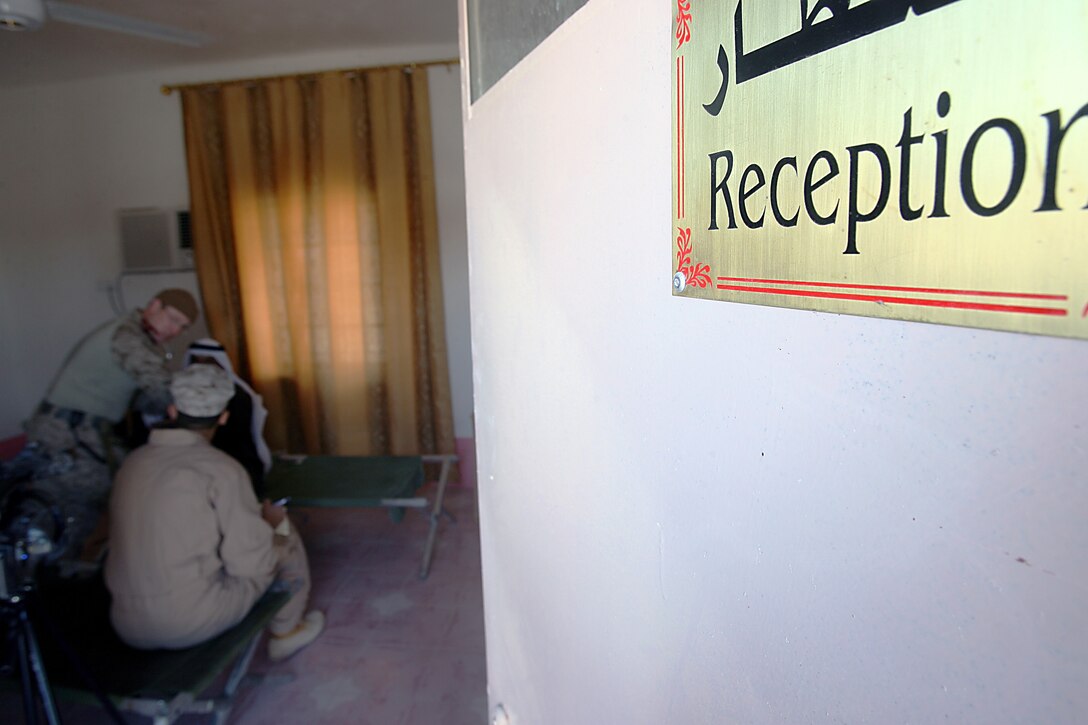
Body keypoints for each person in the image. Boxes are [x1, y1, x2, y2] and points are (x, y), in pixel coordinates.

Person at [105, 364, 324, 660]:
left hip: (126, 622)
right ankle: (287, 631)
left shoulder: (132, 462)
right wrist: (274, 524)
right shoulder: (221, 470)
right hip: (191, 621)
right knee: (282, 534)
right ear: (223, 417)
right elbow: (253, 563)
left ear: (172, 411)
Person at [20, 288, 200, 558]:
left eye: (182, 327)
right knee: (78, 504)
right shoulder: (128, 338)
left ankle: (63, 565)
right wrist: (201, 404)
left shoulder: (138, 335)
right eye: (173, 319)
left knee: (120, 484)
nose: (174, 330)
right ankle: (54, 572)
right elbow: (162, 389)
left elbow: (143, 398)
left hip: (82, 430)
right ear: (154, 305)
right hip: (65, 433)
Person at [182, 338, 272, 498]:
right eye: (196, 362)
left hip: (235, 464)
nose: (203, 369)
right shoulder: (178, 393)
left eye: (209, 362)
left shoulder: (238, 396)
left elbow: (240, 440)